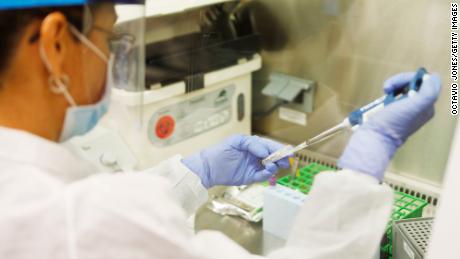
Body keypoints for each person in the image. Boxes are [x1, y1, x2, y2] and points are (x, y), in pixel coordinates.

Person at [0, 1, 442, 259]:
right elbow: (103, 223)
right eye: (110, 38)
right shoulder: (74, 220)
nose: (113, 57)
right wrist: (364, 166)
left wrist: (195, 172)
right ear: (57, 43)